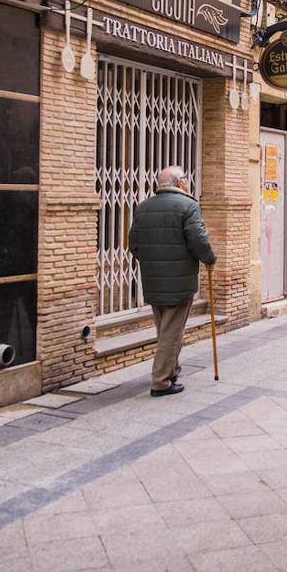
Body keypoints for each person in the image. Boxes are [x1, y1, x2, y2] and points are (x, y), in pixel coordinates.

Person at [128, 165, 216, 398]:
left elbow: (134, 244)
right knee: (172, 332)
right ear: (180, 183)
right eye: (186, 178)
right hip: (179, 281)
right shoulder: (189, 206)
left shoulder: (143, 208)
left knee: (165, 328)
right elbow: (198, 240)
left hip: (153, 279)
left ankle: (172, 370)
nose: (188, 182)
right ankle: (161, 381)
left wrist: (153, 262)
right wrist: (209, 258)